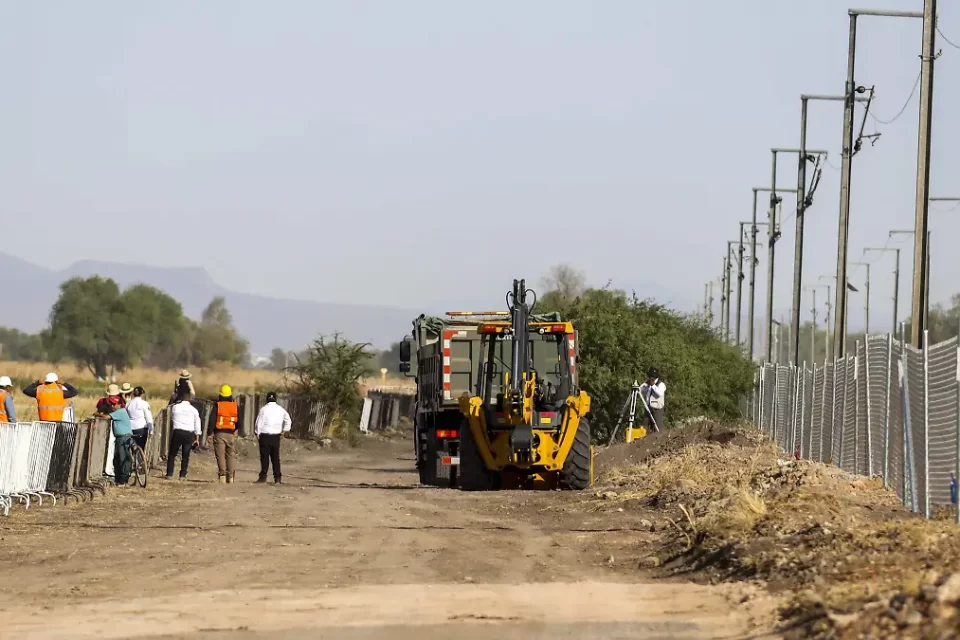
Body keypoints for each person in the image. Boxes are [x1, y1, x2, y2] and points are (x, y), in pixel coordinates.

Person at [255, 391, 291, 484]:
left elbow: (259, 422)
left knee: (264, 458)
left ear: (267, 399)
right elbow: (288, 420)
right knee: (275, 458)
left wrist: (257, 433)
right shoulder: (281, 409)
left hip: (265, 435)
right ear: (276, 399)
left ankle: (263, 477)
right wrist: (284, 430)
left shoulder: (263, 409)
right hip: (276, 436)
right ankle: (277, 478)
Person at [208, 384, 241, 483]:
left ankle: (222, 476)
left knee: (220, 455)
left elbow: (212, 420)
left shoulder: (217, 405)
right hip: (231, 433)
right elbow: (240, 420)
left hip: (219, 433)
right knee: (230, 455)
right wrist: (236, 430)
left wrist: (209, 433)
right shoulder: (235, 406)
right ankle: (230, 478)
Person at [166, 388, 202, 480]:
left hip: (177, 432)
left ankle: (169, 473)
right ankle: (182, 475)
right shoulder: (194, 410)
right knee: (185, 455)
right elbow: (197, 424)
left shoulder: (175, 407)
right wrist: (197, 438)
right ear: (189, 399)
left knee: (172, 454)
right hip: (188, 433)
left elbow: (172, 418)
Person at [100, 396, 133, 486]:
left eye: (114, 404)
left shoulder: (120, 412)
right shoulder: (119, 412)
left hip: (123, 438)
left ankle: (123, 480)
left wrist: (99, 414)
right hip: (122, 437)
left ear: (119, 404)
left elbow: (106, 417)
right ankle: (119, 479)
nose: (112, 406)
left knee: (122, 458)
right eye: (111, 404)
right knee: (118, 458)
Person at [126, 386, 154, 452]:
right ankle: (140, 460)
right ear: (142, 394)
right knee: (141, 447)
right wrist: (151, 430)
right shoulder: (144, 403)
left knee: (132, 447)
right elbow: (148, 417)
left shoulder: (128, 403)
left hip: (131, 428)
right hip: (141, 428)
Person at [639, 367, 666, 432]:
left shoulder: (661, 384)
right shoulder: (647, 383)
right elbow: (640, 389)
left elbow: (659, 393)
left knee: (658, 428)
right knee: (644, 428)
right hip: (648, 408)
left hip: (657, 409)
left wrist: (653, 385)